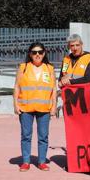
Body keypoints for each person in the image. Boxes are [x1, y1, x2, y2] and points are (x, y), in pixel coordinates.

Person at [13, 43, 57, 171]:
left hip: (44, 108)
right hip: (25, 107)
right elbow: (17, 87)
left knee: (43, 136)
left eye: (40, 52)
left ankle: (42, 161)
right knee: (26, 135)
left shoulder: (49, 68)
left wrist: (54, 106)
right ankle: (26, 162)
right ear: (30, 54)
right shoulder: (23, 67)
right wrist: (15, 104)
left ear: (44, 53)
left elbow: (54, 89)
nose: (37, 54)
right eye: (34, 52)